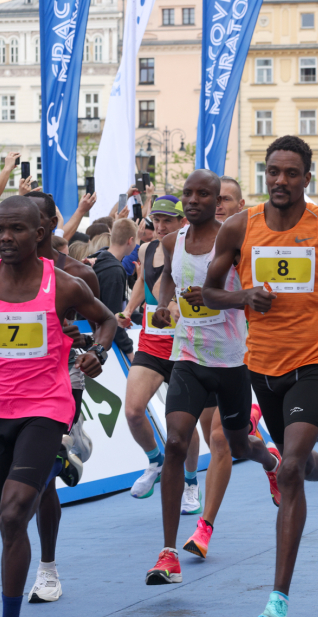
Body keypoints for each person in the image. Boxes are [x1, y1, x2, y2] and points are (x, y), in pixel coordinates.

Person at [0, 195, 116, 617]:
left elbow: (105, 321)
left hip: (48, 407)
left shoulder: (63, 285)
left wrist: (98, 354)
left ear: (38, 233)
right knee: (4, 522)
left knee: (13, 514)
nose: (4, 237)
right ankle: (53, 467)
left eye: (16, 229)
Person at [203, 135, 318, 617]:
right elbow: (207, 291)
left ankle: (278, 601)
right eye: (273, 172)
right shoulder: (238, 225)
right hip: (262, 366)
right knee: (298, 464)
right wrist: (243, 296)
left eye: (291, 173)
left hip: (314, 360)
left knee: (288, 468)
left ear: (307, 178)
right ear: (263, 174)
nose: (281, 181)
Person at [144, 170, 282, 585]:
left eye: (204, 194)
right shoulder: (172, 242)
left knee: (238, 444)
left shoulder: (236, 241)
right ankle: (167, 553)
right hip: (188, 356)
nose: (193, 200)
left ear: (218, 199)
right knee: (175, 442)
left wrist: (241, 298)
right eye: (188, 193)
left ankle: (269, 460)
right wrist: (165, 304)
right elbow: (168, 276)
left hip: (234, 362)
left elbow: (258, 294)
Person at [21, 189, 104, 603]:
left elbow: (105, 327)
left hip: (63, 379)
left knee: (42, 479)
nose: (20, 232)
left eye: (29, 222)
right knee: (28, 481)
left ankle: (47, 569)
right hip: (14, 387)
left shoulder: (77, 276)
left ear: (48, 226)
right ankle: (74, 444)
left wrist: (91, 347)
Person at [118, 201, 207, 510]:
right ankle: (155, 461)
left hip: (184, 347)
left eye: (167, 220)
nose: (160, 225)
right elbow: (143, 281)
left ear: (182, 220)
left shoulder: (194, 250)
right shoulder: (147, 250)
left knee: (182, 425)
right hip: (152, 343)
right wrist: (129, 309)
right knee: (132, 411)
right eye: (156, 219)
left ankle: (192, 483)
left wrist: (177, 308)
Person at [92, 218, 136, 359]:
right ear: (130, 241)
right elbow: (113, 318)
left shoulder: (98, 257)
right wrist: (129, 351)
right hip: (101, 342)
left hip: (89, 334)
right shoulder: (114, 271)